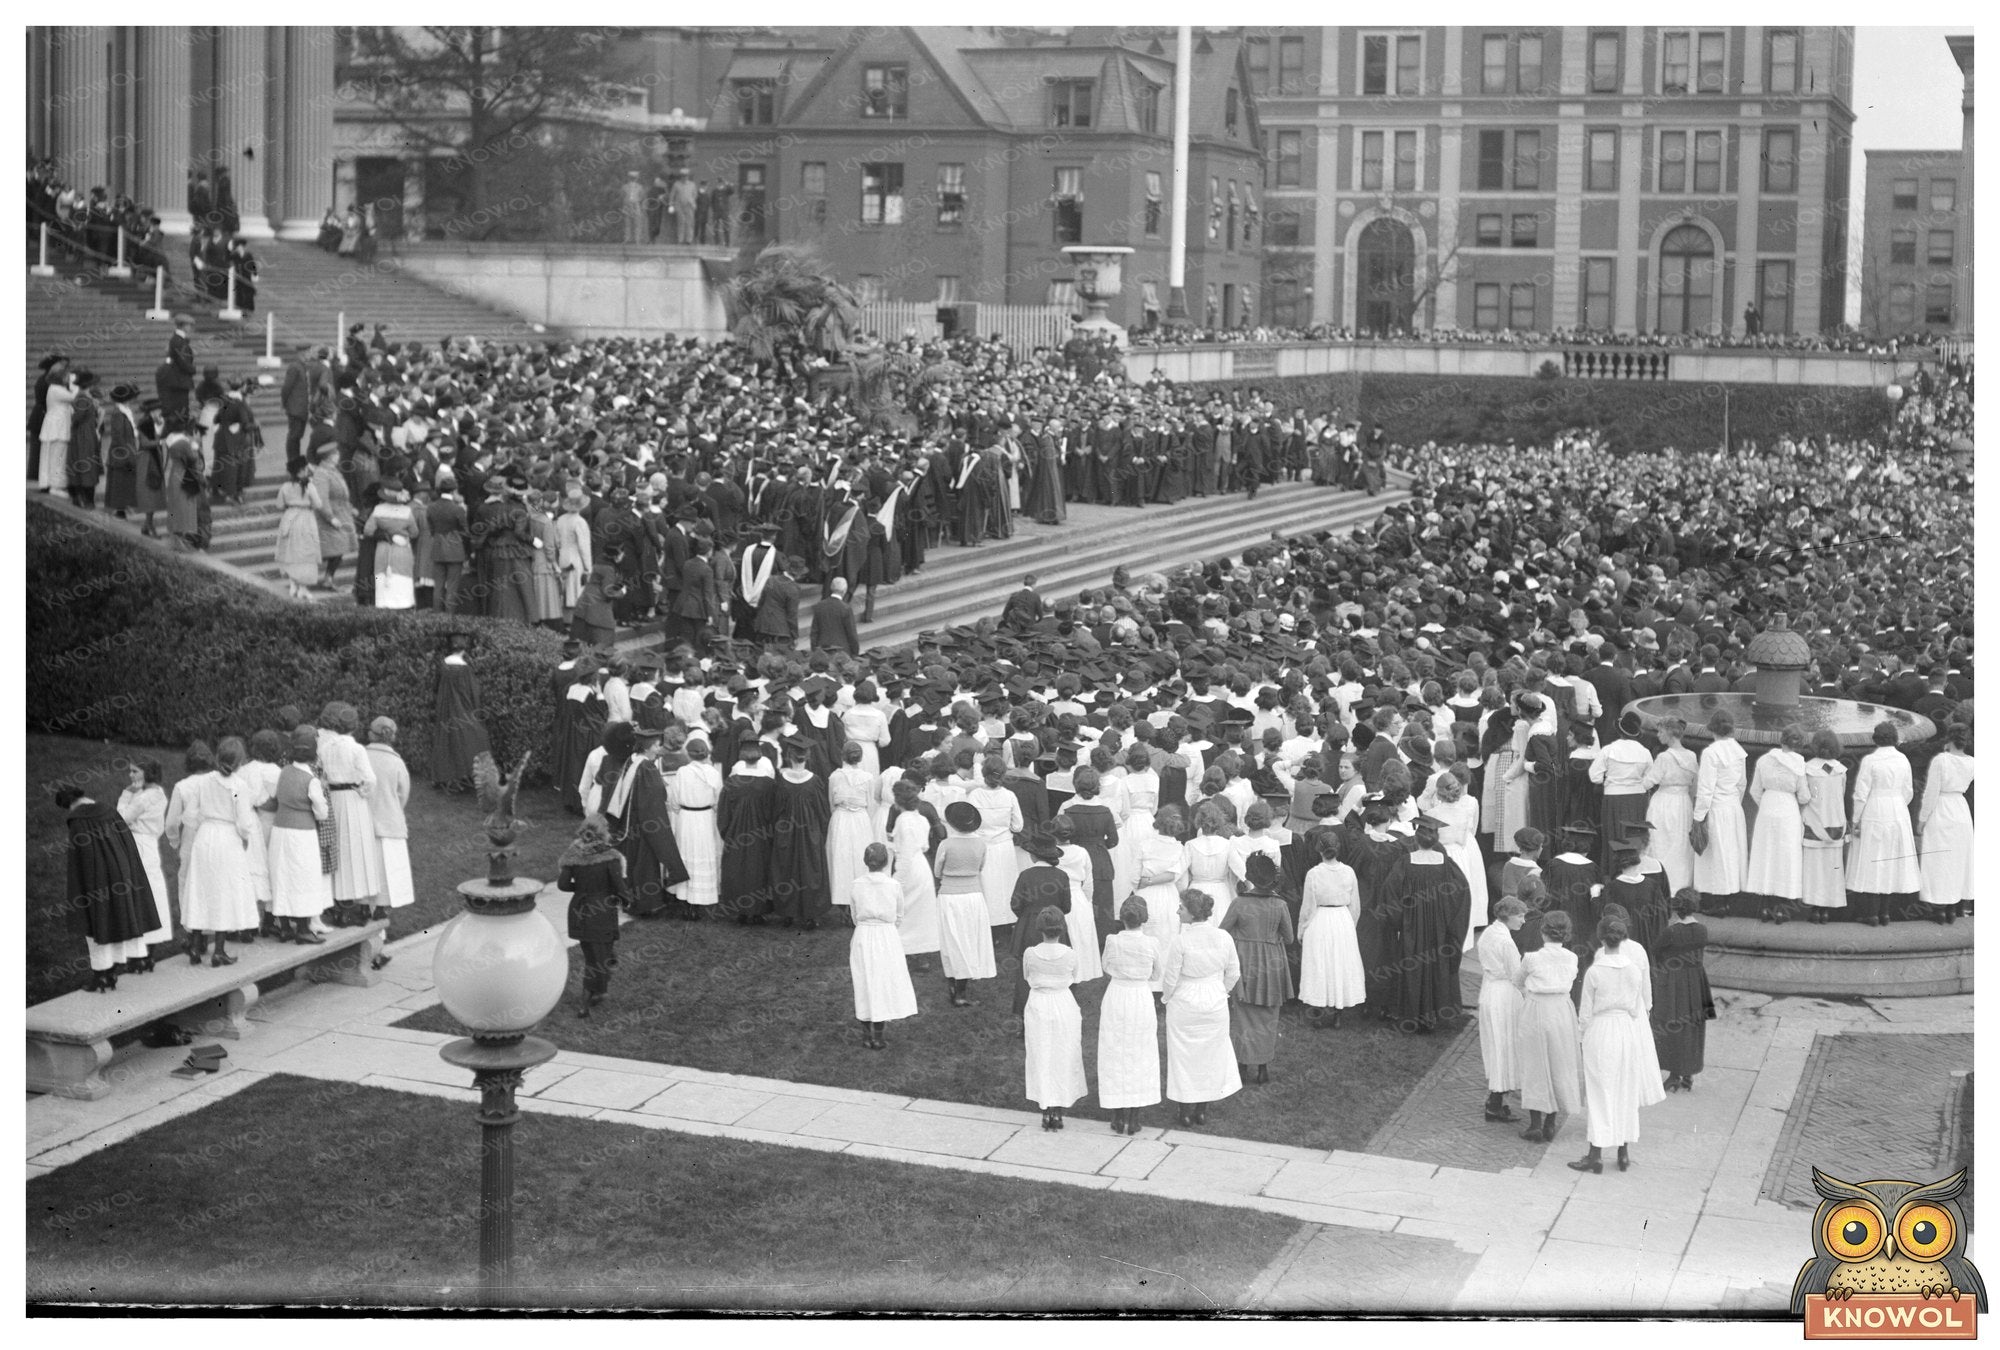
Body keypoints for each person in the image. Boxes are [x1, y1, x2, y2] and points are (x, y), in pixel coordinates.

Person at [1571, 914, 1667, 1174]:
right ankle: (1623, 1153)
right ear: (1623, 938)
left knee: (1600, 1091)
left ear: (1602, 939)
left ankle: (1595, 1154)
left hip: (1601, 1030)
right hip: (1626, 1030)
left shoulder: (1595, 971)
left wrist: (1581, 1037)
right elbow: (1637, 1008)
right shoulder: (1634, 970)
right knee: (1626, 1089)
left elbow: (1585, 1012)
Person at [56, 782, 162, 991]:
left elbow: (80, 860)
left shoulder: (78, 821)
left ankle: (101, 976)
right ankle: (112, 972)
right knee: (118, 919)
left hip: (96, 878)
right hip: (121, 873)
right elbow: (127, 843)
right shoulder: (109, 811)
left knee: (97, 923)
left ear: (69, 804)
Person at [163, 739, 259, 967]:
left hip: (204, 837)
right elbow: (244, 822)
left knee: (201, 888)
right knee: (223, 891)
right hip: (227, 839)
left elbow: (190, 814)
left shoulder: (204, 782)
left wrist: (201, 829)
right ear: (239, 762)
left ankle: (196, 947)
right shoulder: (237, 787)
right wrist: (244, 837)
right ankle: (219, 950)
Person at [1162, 889, 1242, 1127]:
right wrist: (1221, 991)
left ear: (1193, 913)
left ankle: (1185, 1111)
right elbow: (1234, 972)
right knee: (1210, 1055)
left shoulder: (1180, 940)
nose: (1178, 911)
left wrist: (1167, 998)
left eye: (1181, 908)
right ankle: (1201, 1111)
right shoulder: (1223, 937)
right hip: (1214, 1001)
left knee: (1184, 1056)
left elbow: (1170, 979)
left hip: (1185, 1002)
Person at [1219, 851, 1295, 1084]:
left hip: (1245, 963)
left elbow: (1222, 931)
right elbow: (1290, 938)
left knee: (1242, 1015)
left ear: (1250, 875)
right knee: (1268, 1016)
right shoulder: (1280, 904)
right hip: (1272, 963)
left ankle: (1242, 1065)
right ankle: (1262, 1068)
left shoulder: (1239, 903)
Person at [1512, 908, 1581, 1145]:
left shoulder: (1531, 958)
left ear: (1543, 932)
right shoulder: (1572, 958)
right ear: (1567, 934)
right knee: (1558, 1063)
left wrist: (1529, 994)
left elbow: (1517, 980)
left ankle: (1535, 1125)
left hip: (1536, 1009)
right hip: (1561, 1011)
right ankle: (1550, 1122)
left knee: (1534, 1063)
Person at [1097, 896, 1163, 1135]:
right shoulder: (1151, 943)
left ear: (1122, 919)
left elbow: (1106, 966)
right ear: (1143, 920)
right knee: (1140, 1053)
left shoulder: (1112, 941)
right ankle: (1133, 1117)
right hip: (1140, 998)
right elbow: (1157, 975)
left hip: (1117, 995)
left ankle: (1117, 1115)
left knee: (1114, 1050)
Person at [1848, 721, 1920, 926]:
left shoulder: (1871, 760)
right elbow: (1908, 791)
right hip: (1897, 809)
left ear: (1876, 739)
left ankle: (1872, 913)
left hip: (1875, 808)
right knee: (1891, 860)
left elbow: (1861, 793)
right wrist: (1897, 803)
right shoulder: (1903, 759)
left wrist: (1856, 819)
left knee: (1873, 858)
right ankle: (1885, 912)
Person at [1022, 906, 1087, 1130]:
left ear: (1040, 928)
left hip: (1040, 1004)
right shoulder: (1070, 954)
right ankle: (1056, 1111)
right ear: (1062, 928)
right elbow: (1074, 976)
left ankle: (1047, 1110)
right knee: (1062, 1054)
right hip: (1062, 1004)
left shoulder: (1030, 953)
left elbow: (1027, 975)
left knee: (1042, 1053)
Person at [559, 814, 630, 1018]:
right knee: (597, 960)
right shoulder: (611, 857)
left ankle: (600, 991)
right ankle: (585, 1003)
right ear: (603, 833)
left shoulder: (573, 855)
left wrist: (581, 888)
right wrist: (628, 900)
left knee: (593, 954)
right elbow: (619, 887)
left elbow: (563, 885)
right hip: (601, 913)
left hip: (579, 911)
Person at [849, 843, 919, 1050]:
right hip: (886, 935)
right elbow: (899, 915)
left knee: (864, 982)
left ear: (865, 862)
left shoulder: (856, 884)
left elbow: (854, 915)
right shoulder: (893, 885)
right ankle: (877, 1035)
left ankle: (867, 1034)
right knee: (881, 982)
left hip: (863, 934)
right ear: (886, 863)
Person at [266, 726, 332, 945]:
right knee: (303, 877)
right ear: (313, 755)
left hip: (280, 831)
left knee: (282, 874)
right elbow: (322, 813)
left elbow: (277, 796)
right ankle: (303, 929)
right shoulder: (311, 779)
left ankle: (284, 925)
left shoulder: (283, 771)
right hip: (302, 834)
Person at [1745, 724, 1812, 923]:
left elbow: (1754, 790)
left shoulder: (1764, 760)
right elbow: (1804, 795)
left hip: (1767, 809)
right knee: (1786, 857)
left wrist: (1767, 803)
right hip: (1788, 810)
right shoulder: (1799, 763)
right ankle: (1781, 909)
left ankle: (1764, 907)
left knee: (1766, 854)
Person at [1297, 833, 1364, 1028]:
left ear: (1319, 849)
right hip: (1342, 919)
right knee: (1339, 964)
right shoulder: (1349, 872)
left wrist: (1302, 928)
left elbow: (1308, 906)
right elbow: (1356, 905)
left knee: (1319, 964)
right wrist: (1349, 926)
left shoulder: (1314, 873)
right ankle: (1337, 1015)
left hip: (1320, 919)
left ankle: (1318, 1014)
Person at [1651, 889, 1713, 1093]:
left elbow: (1656, 951)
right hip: (1696, 982)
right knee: (1693, 1026)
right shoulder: (1702, 930)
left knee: (1672, 1024)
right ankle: (1688, 1074)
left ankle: (1674, 1075)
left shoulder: (1671, 932)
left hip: (1673, 982)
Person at [934, 800, 994, 1006]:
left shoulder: (946, 844)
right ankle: (961, 990)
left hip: (949, 895)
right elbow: (981, 867)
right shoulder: (980, 844)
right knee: (970, 939)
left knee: (951, 939)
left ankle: (954, 982)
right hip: (973, 896)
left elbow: (937, 871)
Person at [115, 759, 176, 958]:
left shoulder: (141, 798)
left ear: (146, 773)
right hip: (149, 846)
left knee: (137, 894)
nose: (131, 776)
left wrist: (126, 795)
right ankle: (149, 951)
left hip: (137, 845)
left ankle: (138, 952)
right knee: (153, 892)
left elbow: (120, 819)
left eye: (135, 772)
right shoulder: (159, 793)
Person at [1007, 831, 1073, 1014]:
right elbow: (1066, 907)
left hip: (1028, 927)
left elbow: (1015, 904)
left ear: (1034, 854)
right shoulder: (1061, 876)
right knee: (1057, 966)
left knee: (1026, 973)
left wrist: (1028, 916)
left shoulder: (1026, 875)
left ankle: (1026, 1014)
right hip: (1055, 925)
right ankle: (1058, 1011)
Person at [770, 737, 832, 928]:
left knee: (786, 868)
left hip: (786, 830)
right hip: (809, 831)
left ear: (789, 756)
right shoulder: (815, 782)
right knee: (810, 868)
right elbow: (823, 812)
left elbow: (775, 810)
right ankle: (811, 915)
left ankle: (787, 913)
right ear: (807, 756)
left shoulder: (781, 781)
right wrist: (819, 831)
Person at [1691, 710, 1749, 914]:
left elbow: (1705, 789)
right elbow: (1742, 784)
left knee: (1714, 855)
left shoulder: (1711, 752)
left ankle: (1716, 902)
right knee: (1731, 853)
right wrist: (1734, 803)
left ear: (1713, 729)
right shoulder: (1739, 751)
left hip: (1716, 808)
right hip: (1733, 807)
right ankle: (1728, 899)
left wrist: (1698, 816)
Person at [1477, 897, 1528, 1122]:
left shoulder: (1489, 932)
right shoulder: (1506, 942)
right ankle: (1495, 1103)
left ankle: (1496, 1100)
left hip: (1489, 991)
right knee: (1504, 1046)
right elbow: (1516, 975)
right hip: (1504, 995)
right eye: (1520, 916)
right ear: (1508, 915)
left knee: (1496, 1046)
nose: (1523, 921)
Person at [360, 718, 414, 930]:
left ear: (371, 734)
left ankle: (363, 905)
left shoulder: (361, 757)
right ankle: (381, 907)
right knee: (386, 869)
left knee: (365, 867)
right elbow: (403, 793)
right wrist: (393, 808)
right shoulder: (397, 763)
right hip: (389, 822)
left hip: (363, 821)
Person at [717, 743, 780, 923]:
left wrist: (727, 832)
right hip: (761, 834)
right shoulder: (769, 784)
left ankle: (740, 911)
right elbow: (774, 812)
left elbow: (723, 813)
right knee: (758, 870)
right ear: (759, 759)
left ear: (742, 759)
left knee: (737, 869)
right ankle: (757, 911)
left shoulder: (731, 783)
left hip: (736, 834)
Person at [1918, 724, 1974, 923]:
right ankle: (1953, 908)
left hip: (1941, 809)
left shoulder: (1941, 760)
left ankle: (1939, 908)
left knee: (1938, 860)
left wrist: (1922, 819)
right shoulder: (1973, 763)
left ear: (1948, 738)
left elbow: (1931, 792)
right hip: (1960, 810)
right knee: (1957, 860)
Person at [886, 775, 942, 961]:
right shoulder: (920, 819)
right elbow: (924, 846)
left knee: (905, 907)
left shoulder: (903, 820)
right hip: (922, 866)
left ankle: (906, 951)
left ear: (897, 800)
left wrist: (897, 881)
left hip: (910, 866)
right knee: (918, 910)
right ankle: (918, 953)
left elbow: (907, 853)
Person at [1641, 715, 1698, 893]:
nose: (1658, 735)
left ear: (1669, 733)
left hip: (1664, 802)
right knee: (1680, 844)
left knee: (1661, 841)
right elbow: (1694, 783)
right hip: (1683, 802)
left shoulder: (1664, 757)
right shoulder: (1691, 755)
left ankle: (1661, 885)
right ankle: (1680, 885)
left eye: (1660, 731)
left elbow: (1648, 782)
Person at [670, 736, 725, 918]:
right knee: (703, 853)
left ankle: (686, 899)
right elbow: (719, 799)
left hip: (687, 819)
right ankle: (699, 900)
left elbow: (674, 799)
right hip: (705, 818)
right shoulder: (714, 774)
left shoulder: (682, 772)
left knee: (687, 854)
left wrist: (680, 808)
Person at [1800, 729, 1850, 922]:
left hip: (1814, 823)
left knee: (1814, 869)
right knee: (1832, 868)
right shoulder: (1841, 771)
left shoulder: (1807, 769)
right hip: (1836, 823)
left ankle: (1814, 909)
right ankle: (1827, 910)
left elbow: (1805, 797)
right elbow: (1841, 796)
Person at [826, 742, 878, 917]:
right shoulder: (867, 777)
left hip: (842, 818)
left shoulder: (835, 776)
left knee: (843, 857)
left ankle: (852, 903)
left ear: (843, 756)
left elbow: (831, 804)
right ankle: (846, 903)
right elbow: (871, 805)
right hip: (858, 818)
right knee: (853, 857)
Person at [363, 485, 424, 610]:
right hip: (401, 550)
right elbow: (414, 533)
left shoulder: (378, 510)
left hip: (383, 550)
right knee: (402, 584)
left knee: (383, 583)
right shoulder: (406, 511)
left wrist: (382, 532)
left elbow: (368, 531)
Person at [310, 443, 356, 591]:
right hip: (329, 517)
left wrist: (349, 508)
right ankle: (318, 578)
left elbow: (341, 492)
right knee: (333, 549)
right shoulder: (322, 473)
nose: (338, 456)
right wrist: (330, 517)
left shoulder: (332, 471)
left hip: (341, 514)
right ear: (330, 457)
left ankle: (328, 579)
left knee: (338, 549)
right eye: (336, 454)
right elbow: (322, 499)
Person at [810, 576, 861, 654]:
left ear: (831, 587)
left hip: (822, 650)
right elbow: (852, 634)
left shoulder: (820, 606)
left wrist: (814, 650)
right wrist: (855, 652)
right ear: (845, 590)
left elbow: (814, 631)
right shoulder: (846, 609)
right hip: (842, 652)